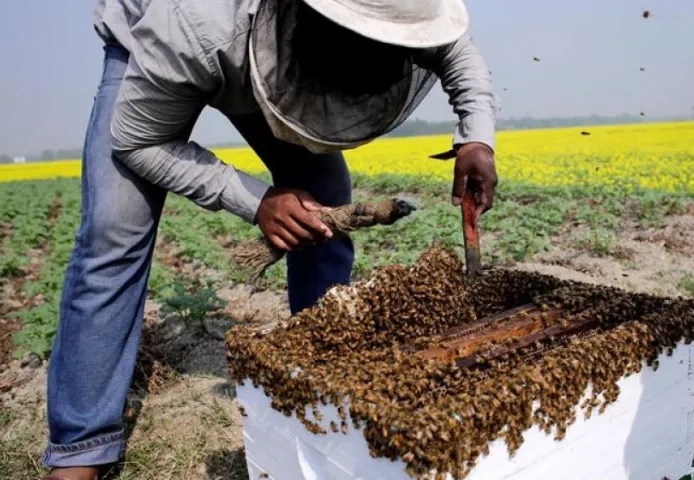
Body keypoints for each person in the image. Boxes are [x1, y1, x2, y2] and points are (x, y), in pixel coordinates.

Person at [40, 0, 498, 478]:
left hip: (259, 50)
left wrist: (477, 137)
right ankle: (81, 448)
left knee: (325, 197)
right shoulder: (195, 24)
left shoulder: (395, 9)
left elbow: (451, 46)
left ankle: (322, 368)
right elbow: (139, 141)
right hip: (161, 41)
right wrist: (258, 201)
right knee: (113, 232)